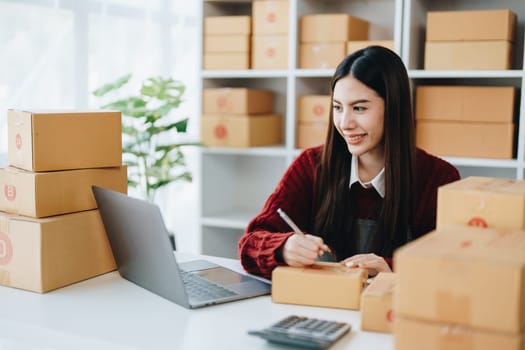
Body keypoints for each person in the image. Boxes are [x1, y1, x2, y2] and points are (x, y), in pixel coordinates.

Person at [238, 46, 460, 280]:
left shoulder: (440, 179)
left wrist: (392, 269)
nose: (345, 123)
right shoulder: (311, 165)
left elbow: (450, 267)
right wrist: (283, 247)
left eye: (359, 108)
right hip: (320, 309)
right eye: (337, 107)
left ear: (394, 108)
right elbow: (249, 244)